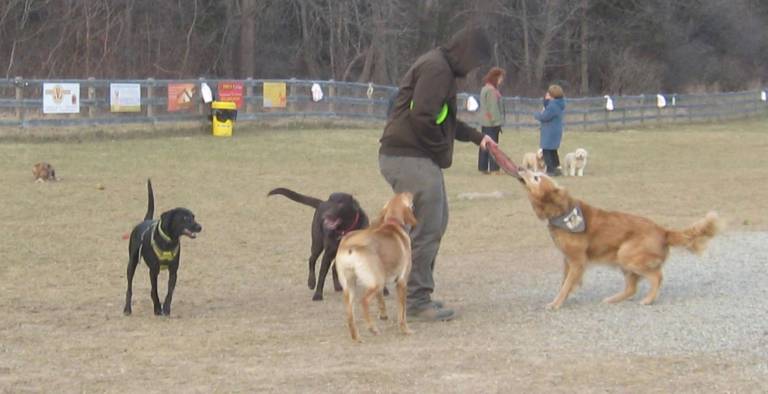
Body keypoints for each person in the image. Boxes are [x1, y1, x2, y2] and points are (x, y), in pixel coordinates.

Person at [378, 26, 495, 322]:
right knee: (427, 226)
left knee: (436, 222)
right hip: (407, 155)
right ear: (466, 52)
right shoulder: (436, 69)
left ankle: (416, 291)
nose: (473, 69)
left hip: (413, 154)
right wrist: (439, 151)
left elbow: (443, 119)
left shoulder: (441, 67)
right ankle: (416, 301)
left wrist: (477, 137)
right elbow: (422, 118)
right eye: (476, 61)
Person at [478, 67, 505, 174]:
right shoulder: (491, 91)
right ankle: (494, 168)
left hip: (485, 122)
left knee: (484, 144)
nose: (501, 80)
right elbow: (493, 108)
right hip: (491, 123)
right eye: (500, 78)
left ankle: (483, 167)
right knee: (493, 145)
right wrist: (497, 123)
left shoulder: (485, 88)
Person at [534, 84, 566, 176]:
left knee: (546, 150)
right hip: (555, 130)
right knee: (553, 150)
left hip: (550, 131)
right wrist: (546, 100)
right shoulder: (558, 103)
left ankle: (550, 170)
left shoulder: (553, 106)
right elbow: (546, 105)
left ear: (552, 95)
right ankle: (557, 167)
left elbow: (544, 116)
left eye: (548, 93)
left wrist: (536, 115)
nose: (546, 94)